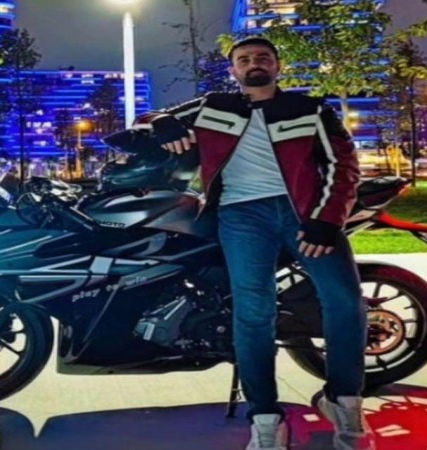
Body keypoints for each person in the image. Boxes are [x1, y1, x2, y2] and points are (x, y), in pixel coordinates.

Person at [132, 37, 374, 450]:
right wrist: (161, 122)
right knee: (252, 312)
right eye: (243, 59)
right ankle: (265, 415)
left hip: (305, 214)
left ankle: (344, 400)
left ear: (278, 66)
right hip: (240, 216)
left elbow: (344, 165)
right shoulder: (213, 106)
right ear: (234, 71)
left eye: (263, 57)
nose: (253, 63)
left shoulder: (309, 109)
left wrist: (326, 220)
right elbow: (147, 119)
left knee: (345, 301)